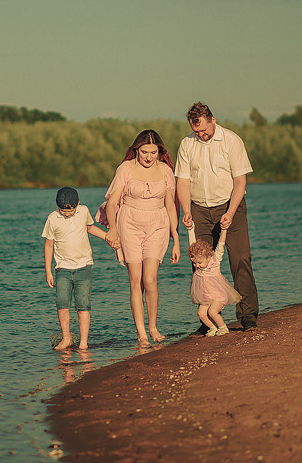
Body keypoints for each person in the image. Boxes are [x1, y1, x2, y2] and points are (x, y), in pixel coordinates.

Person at [175, 102, 260, 331]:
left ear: (212, 119)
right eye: (196, 131)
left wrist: (230, 213)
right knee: (200, 264)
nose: (201, 135)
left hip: (230, 205)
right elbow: (182, 181)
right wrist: (186, 211)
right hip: (199, 209)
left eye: (204, 130)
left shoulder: (232, 141)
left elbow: (240, 181)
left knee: (240, 259)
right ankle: (209, 319)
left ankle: (247, 314)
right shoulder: (187, 144)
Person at [100, 129, 181, 344]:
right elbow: (112, 202)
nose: (148, 157)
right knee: (136, 280)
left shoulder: (165, 171)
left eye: (153, 152)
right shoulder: (125, 168)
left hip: (158, 224)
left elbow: (171, 207)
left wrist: (176, 240)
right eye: (144, 151)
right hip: (129, 224)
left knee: (150, 279)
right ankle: (141, 333)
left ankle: (153, 327)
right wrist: (113, 229)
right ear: (136, 150)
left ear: (159, 151)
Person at [42, 186, 111, 351]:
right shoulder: (52, 218)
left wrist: (107, 237)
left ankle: (83, 342)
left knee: (83, 306)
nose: (66, 213)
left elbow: (89, 227)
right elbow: (49, 245)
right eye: (62, 211)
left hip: (84, 267)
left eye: (70, 210)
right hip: (62, 269)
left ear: (78, 204)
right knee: (62, 305)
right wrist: (48, 271)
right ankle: (66, 338)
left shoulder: (83, 211)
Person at [188, 227, 242, 336]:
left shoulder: (215, 261)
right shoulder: (198, 260)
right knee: (201, 313)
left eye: (199, 263)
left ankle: (223, 328)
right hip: (206, 296)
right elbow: (192, 243)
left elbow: (221, 244)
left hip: (218, 295)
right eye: (194, 263)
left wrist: (224, 230)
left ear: (208, 256)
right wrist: (191, 229)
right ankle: (213, 328)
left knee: (212, 312)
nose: (197, 266)